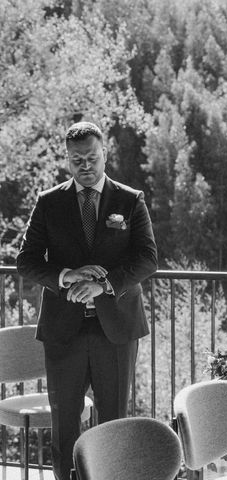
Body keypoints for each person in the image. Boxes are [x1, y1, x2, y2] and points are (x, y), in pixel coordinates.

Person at [17, 121, 157, 480]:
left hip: (117, 328)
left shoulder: (130, 199)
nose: (86, 165)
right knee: (65, 426)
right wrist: (67, 276)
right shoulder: (48, 203)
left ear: (104, 154)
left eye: (92, 157)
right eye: (77, 159)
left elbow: (147, 259)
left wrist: (104, 284)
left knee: (114, 423)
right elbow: (27, 260)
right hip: (64, 329)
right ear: (67, 160)